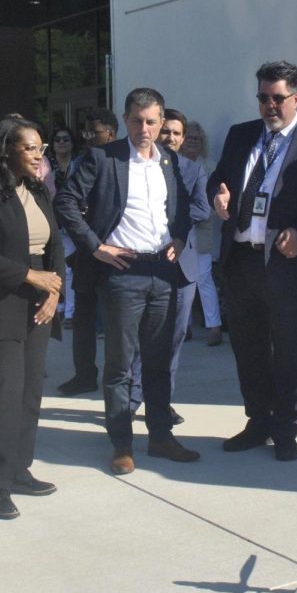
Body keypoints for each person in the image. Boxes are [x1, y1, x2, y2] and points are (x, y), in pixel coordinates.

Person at [208, 61, 297, 462]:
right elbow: (217, 178)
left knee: (290, 350)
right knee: (249, 349)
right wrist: (217, 193)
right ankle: (258, 422)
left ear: (296, 99)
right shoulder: (241, 136)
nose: (269, 105)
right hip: (241, 261)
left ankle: (286, 428)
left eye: (277, 98)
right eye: (263, 98)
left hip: (288, 264)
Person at [55, 88, 198, 475]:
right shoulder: (104, 157)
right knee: (120, 365)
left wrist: (180, 239)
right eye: (137, 120)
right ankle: (121, 443)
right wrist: (95, 246)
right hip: (123, 273)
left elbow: (183, 208)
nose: (145, 129)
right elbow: (66, 201)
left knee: (158, 361)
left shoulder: (169, 160)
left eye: (152, 121)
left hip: (163, 272)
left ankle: (161, 437)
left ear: (161, 120)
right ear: (126, 118)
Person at [0, 116, 64, 520]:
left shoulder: (37, 188)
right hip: (1, 301)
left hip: (40, 301)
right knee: (6, 395)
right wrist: (29, 276)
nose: (40, 156)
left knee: (31, 393)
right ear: (6, 149)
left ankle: (20, 469)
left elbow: (55, 245)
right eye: (31, 148)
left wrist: (54, 292)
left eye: (41, 148)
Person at [128, 108, 211, 423]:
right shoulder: (136, 166)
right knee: (140, 336)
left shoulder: (192, 170)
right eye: (168, 132)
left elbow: (203, 210)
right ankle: (133, 397)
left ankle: (160, 402)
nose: (172, 138)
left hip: (181, 264)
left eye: (178, 134)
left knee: (174, 337)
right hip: (142, 263)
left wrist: (173, 218)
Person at [57, 109, 119, 396]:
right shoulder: (86, 160)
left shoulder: (124, 159)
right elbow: (67, 200)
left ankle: (128, 384)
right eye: (86, 132)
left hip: (121, 255)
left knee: (121, 325)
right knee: (83, 320)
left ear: (112, 132)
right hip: (89, 252)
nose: (89, 137)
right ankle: (84, 374)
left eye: (95, 132)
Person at [179, 120, 223, 346]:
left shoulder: (210, 166)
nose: (193, 142)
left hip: (203, 229)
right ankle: (184, 327)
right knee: (184, 279)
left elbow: (218, 201)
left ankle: (214, 327)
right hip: (180, 231)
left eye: (197, 139)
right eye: (189, 138)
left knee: (204, 278)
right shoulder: (174, 165)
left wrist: (202, 214)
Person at [47, 126, 79, 322]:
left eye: (65, 139)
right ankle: (60, 305)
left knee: (70, 267)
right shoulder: (46, 164)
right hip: (52, 220)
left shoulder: (78, 163)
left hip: (73, 220)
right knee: (56, 266)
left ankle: (70, 310)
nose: (61, 142)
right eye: (57, 139)